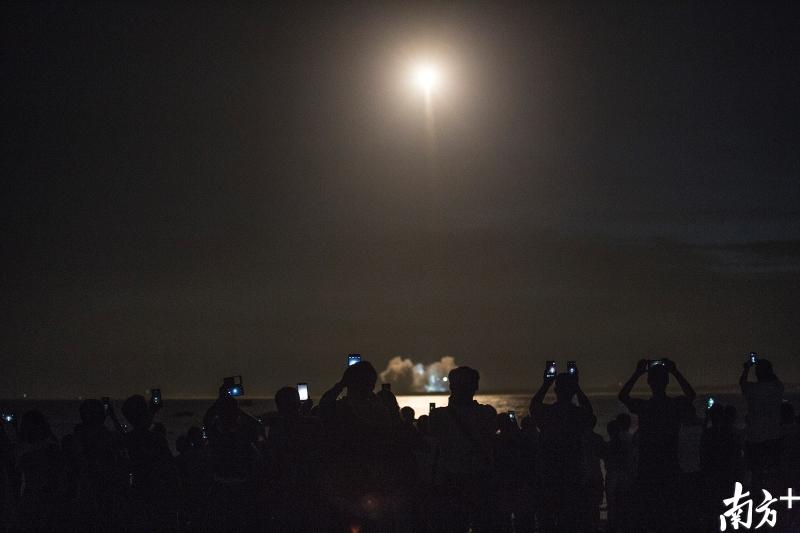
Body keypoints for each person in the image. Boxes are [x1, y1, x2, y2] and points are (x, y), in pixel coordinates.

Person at [618, 358, 695, 533]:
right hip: (670, 463)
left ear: (649, 382)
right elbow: (691, 395)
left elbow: (623, 396)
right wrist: (675, 371)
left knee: (649, 514)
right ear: (666, 381)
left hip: (648, 465)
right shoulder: (673, 405)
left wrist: (637, 372)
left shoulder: (645, 406)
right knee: (671, 512)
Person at [429, 366, 498, 533]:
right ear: (475, 387)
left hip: (451, 483)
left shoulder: (438, 417)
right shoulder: (487, 413)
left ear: (452, 386)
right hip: (480, 481)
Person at [530, 371, 594, 533]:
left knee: (548, 520)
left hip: (549, 474)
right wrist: (577, 387)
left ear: (556, 391)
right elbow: (589, 412)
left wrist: (546, 383)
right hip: (573, 473)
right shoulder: (578, 415)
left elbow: (534, 405)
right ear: (572, 391)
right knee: (571, 519)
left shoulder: (547, 414)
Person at [739, 357, 783, 484]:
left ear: (757, 373)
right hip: (773, 436)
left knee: (755, 473)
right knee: (773, 472)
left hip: (754, 438)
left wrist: (747, 367)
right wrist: (767, 369)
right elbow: (776, 380)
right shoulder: (777, 387)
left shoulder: (752, 389)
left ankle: (757, 499)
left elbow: (742, 383)